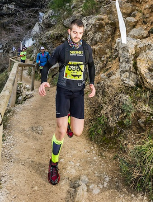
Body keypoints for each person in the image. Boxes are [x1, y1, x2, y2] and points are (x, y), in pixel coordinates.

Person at [39, 18, 95, 185]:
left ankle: (70, 117)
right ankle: (53, 164)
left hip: (78, 93)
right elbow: (46, 66)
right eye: (75, 32)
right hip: (63, 92)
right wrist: (43, 81)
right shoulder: (61, 49)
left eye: (80, 33)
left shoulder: (86, 49)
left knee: (77, 132)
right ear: (69, 32)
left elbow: (91, 65)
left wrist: (92, 83)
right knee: (61, 131)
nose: (77, 36)